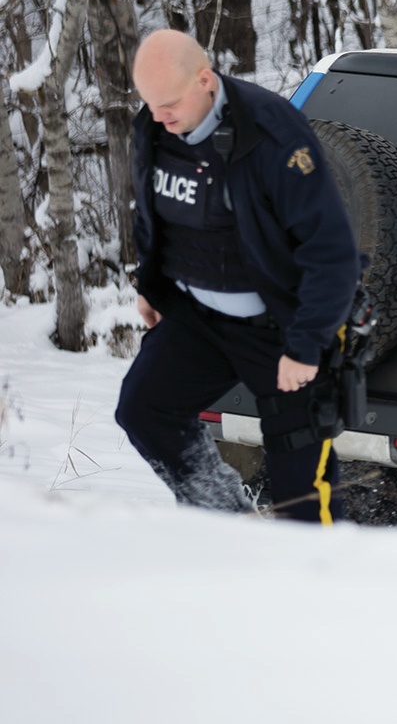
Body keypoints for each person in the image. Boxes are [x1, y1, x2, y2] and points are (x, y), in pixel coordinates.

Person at [116, 29, 362, 524]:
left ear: (205, 80)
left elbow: (331, 251)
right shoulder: (156, 124)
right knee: (144, 410)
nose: (159, 116)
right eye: (149, 104)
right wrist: (151, 281)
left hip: (281, 328)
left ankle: (325, 584)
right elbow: (153, 208)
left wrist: (305, 344)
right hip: (198, 316)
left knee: (301, 492)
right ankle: (222, 520)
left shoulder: (272, 136)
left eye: (167, 103)